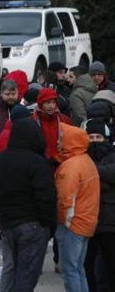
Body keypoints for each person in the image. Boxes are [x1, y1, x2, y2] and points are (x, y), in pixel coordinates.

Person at [0, 118, 57, 292]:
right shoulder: (38, 163)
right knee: (26, 274)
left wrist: (3, 213)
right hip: (33, 224)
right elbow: (47, 197)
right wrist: (49, 225)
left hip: (8, 224)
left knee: (10, 270)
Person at [54, 123, 100, 292]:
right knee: (79, 268)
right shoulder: (86, 161)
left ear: (70, 141)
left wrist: (63, 222)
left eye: (61, 138)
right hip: (86, 222)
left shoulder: (71, 166)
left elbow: (65, 199)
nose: (58, 141)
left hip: (72, 225)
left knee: (70, 270)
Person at [82, 119, 115, 292]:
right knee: (88, 264)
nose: (95, 140)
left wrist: (92, 174)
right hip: (87, 220)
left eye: (98, 136)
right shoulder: (81, 156)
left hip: (109, 221)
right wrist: (104, 180)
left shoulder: (112, 155)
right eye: (91, 137)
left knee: (111, 265)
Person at [33, 88, 72, 166]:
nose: (51, 106)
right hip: (40, 164)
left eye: (54, 102)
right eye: (47, 103)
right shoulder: (33, 120)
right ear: (41, 103)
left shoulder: (64, 119)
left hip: (61, 163)